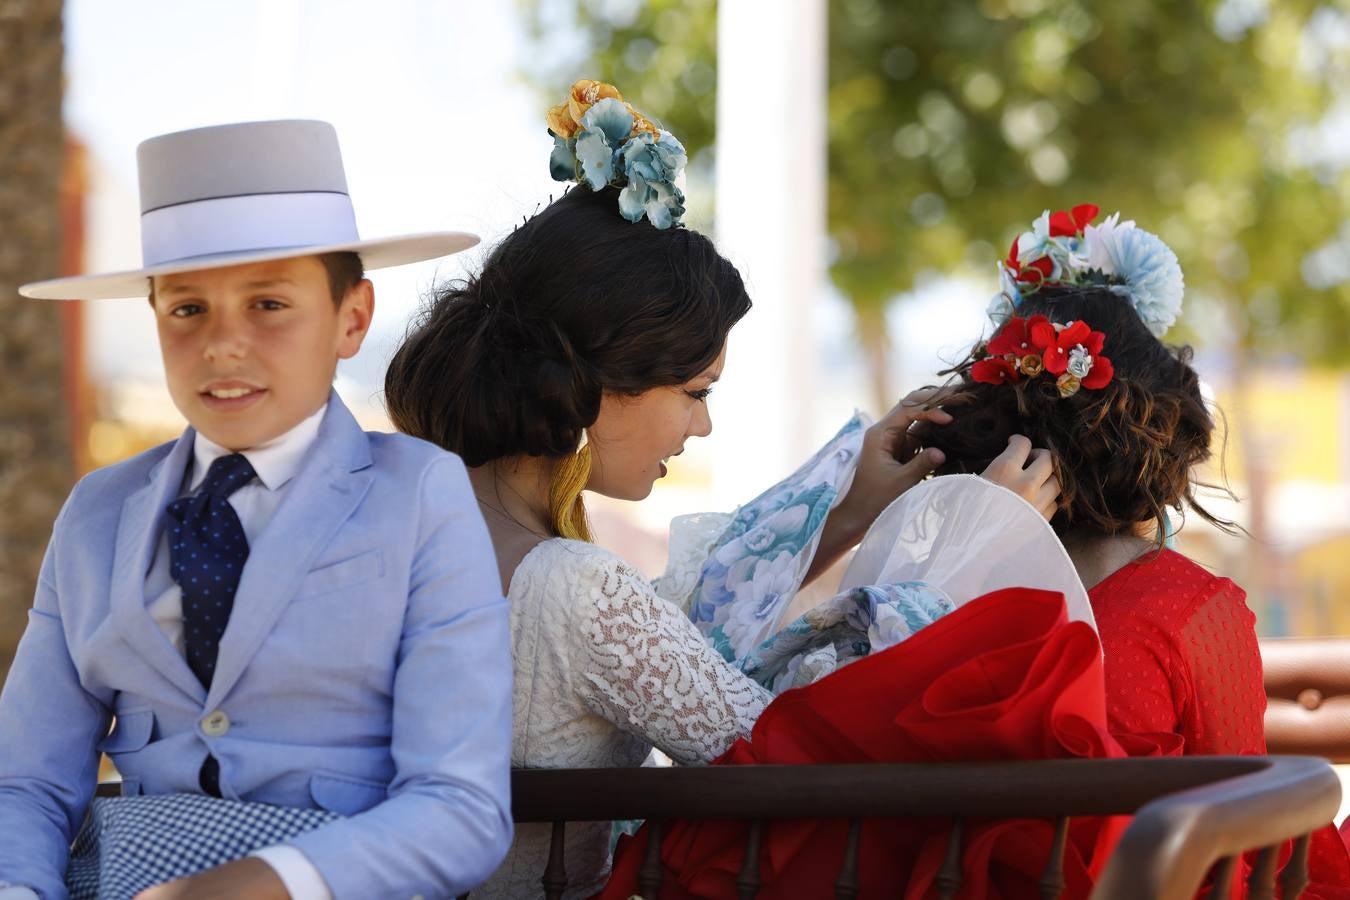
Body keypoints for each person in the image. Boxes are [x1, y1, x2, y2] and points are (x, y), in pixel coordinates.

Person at [382, 80, 1059, 898]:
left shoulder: (407, 520)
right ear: (598, 384)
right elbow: (787, 751)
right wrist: (978, 541)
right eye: (695, 393)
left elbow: (679, 629)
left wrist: (847, 510)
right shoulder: (569, 584)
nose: (700, 429)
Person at [600, 205, 1350, 897]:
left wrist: (873, 512)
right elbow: (1253, 839)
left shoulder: (915, 609)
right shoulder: (1189, 610)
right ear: (1160, 444)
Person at [1, 120, 513, 900]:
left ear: (353, 318)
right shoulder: (99, 513)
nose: (223, 344)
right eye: (186, 310)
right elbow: (25, 785)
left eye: (269, 303)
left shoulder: (417, 496)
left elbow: (463, 807)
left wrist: (257, 885)